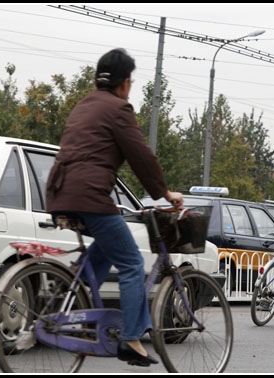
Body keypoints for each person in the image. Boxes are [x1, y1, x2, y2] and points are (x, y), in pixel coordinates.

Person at [46, 48, 183, 366]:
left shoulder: (85, 105)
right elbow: (141, 155)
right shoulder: (119, 108)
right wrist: (164, 192)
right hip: (89, 194)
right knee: (133, 263)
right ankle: (131, 339)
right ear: (125, 82)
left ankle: (74, 301)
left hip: (58, 191)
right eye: (131, 81)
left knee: (107, 247)